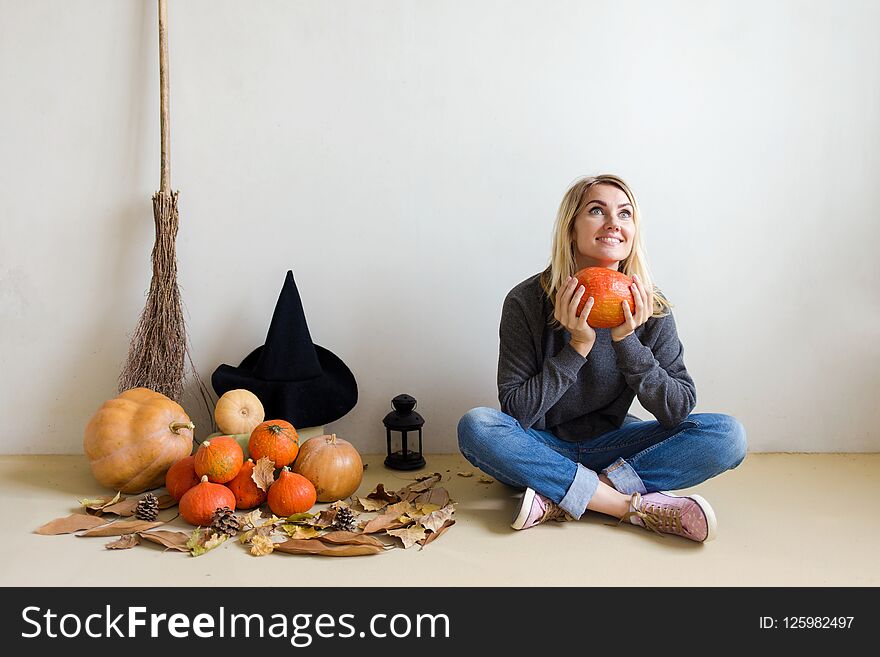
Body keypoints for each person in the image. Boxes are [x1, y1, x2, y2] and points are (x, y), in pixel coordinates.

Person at [457, 174, 747, 543]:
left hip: (616, 447)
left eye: (625, 214)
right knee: (477, 426)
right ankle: (625, 506)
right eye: (597, 210)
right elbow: (517, 414)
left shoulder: (651, 307)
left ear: (633, 233)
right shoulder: (526, 301)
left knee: (728, 435)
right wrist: (577, 347)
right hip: (542, 447)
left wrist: (628, 342)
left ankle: (568, 497)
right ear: (571, 227)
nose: (614, 223)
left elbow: (678, 410)